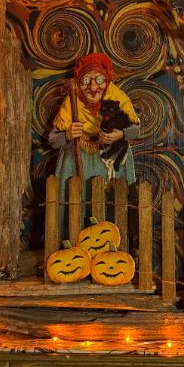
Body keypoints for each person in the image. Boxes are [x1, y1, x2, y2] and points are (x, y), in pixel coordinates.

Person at [48, 53, 140, 233]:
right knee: (75, 205)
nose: (93, 87)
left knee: (112, 204)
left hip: (110, 158)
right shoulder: (72, 101)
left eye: (99, 80)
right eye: (86, 81)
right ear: (78, 82)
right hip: (76, 159)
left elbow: (135, 129)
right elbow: (53, 140)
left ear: (107, 79)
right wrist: (67, 135)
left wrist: (121, 134)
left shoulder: (117, 97)